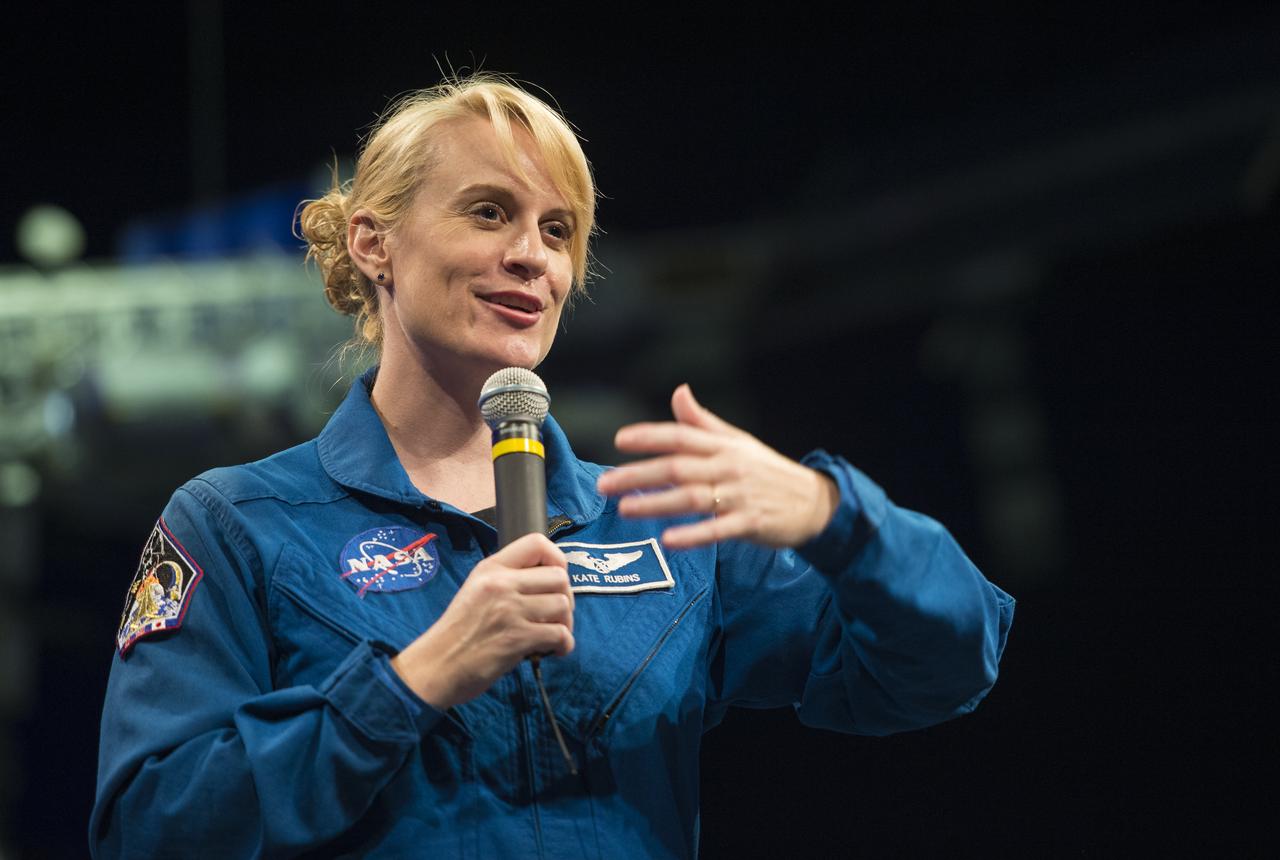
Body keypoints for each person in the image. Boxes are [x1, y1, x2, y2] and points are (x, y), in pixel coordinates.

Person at [90, 74, 1014, 858]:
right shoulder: (239, 522)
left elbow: (947, 666)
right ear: (375, 244)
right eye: (489, 212)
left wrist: (836, 516)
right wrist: (411, 682)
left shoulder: (657, 519)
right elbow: (148, 827)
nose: (532, 257)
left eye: (560, 230)